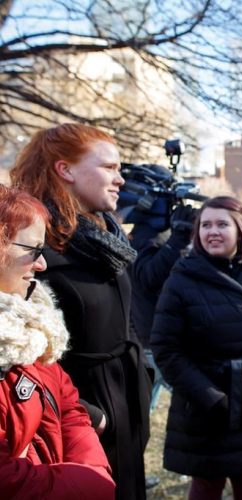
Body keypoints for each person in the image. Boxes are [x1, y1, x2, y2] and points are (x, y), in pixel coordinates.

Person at [10, 123, 152, 500]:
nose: (120, 179)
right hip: (76, 424)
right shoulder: (31, 252)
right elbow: (21, 350)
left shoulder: (106, 240)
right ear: (65, 170)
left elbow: (125, 316)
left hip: (126, 405)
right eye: (108, 167)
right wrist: (90, 415)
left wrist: (143, 379)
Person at [151, 196, 242, 500]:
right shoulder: (182, 279)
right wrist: (211, 398)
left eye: (222, 224)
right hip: (204, 405)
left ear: (241, 228)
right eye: (205, 225)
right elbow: (166, 349)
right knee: (207, 481)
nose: (212, 232)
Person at [0, 185, 115, 499]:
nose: (42, 265)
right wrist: (87, 483)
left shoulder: (30, 323)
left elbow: (69, 408)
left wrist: (91, 470)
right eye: (34, 250)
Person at [128, 203, 197, 412]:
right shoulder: (146, 236)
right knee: (195, 401)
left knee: (142, 411)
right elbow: (150, 277)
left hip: (160, 336)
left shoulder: (155, 233)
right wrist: (177, 239)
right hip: (152, 339)